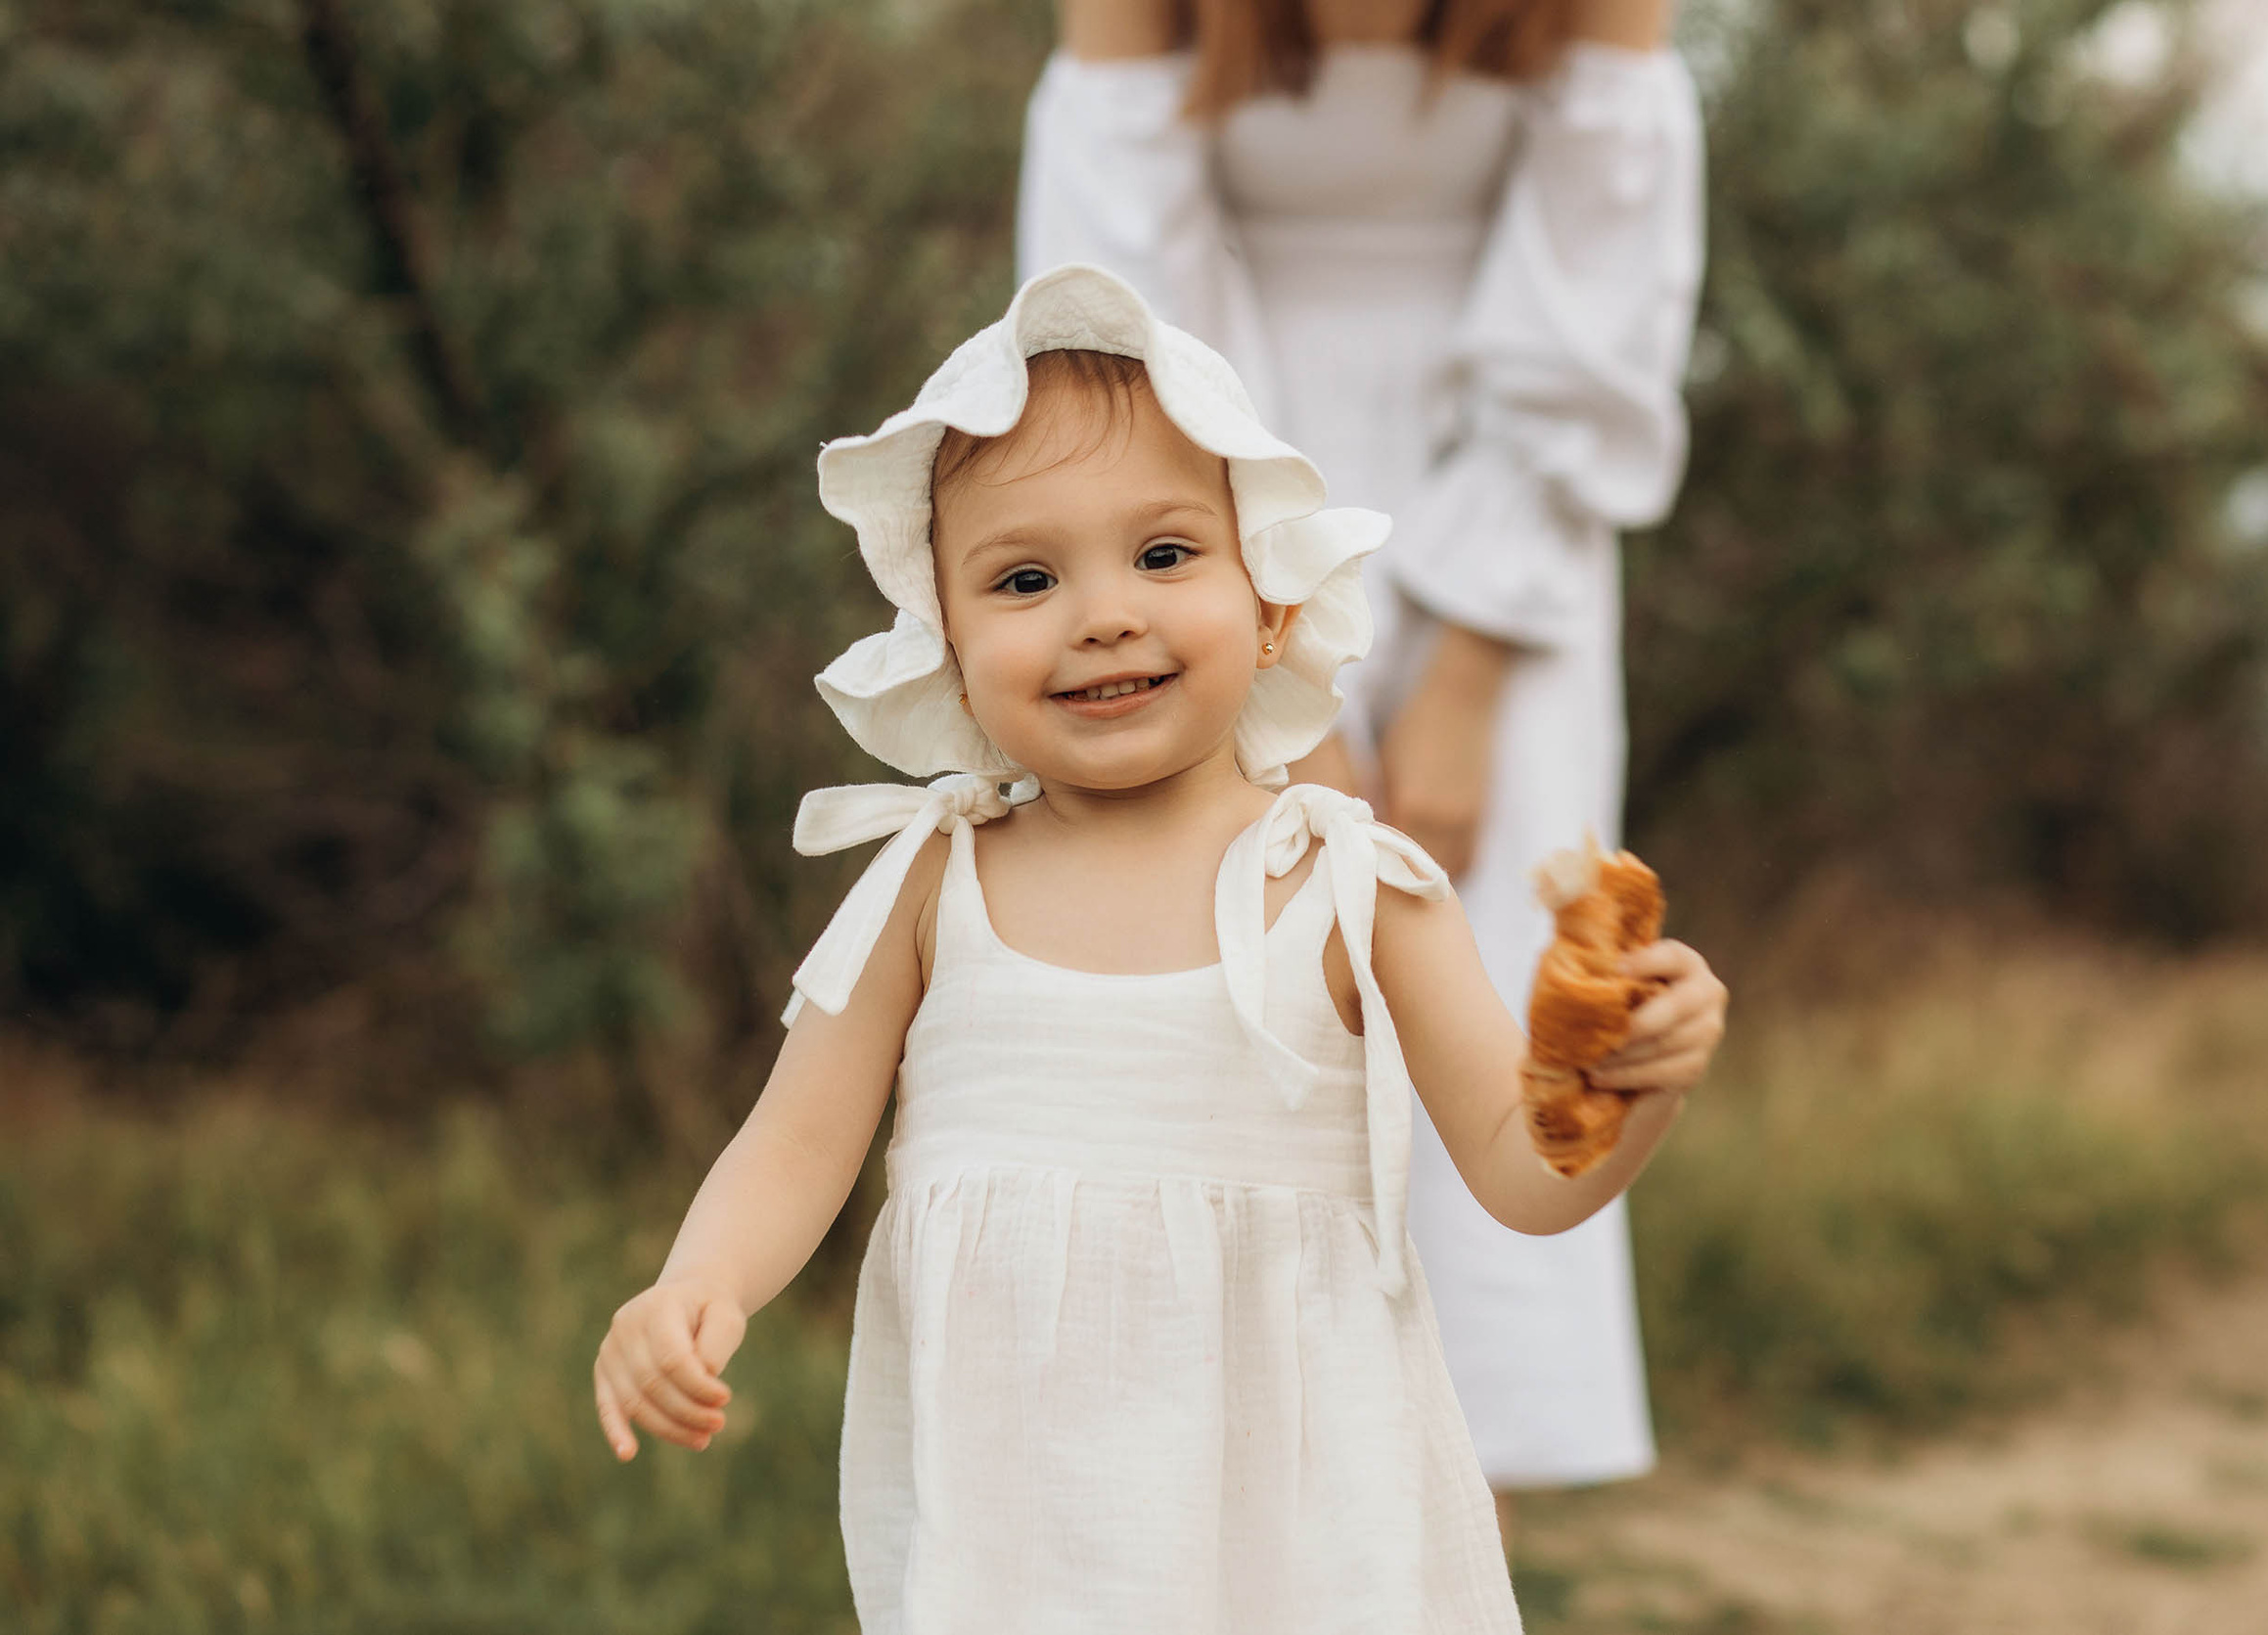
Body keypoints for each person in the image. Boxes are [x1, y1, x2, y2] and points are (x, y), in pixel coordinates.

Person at [590, 265, 1725, 1630]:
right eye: (1025, 577)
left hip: (1308, 1532)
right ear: (947, 649)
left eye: (1166, 555)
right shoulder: (932, 883)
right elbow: (794, 1144)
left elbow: (1522, 1171)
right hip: (1026, 1529)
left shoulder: (1351, 883)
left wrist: (1627, 1082)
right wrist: (696, 1282)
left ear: (1273, 606)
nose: (1103, 612)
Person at [1018, 0, 1707, 1512]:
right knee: (1232, 981)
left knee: (1501, 963)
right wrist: (1283, 687)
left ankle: (1467, 1539)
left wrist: (1463, 676)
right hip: (1203, 509)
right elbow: (1121, 310)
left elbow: (1602, 298)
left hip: (1513, 509)